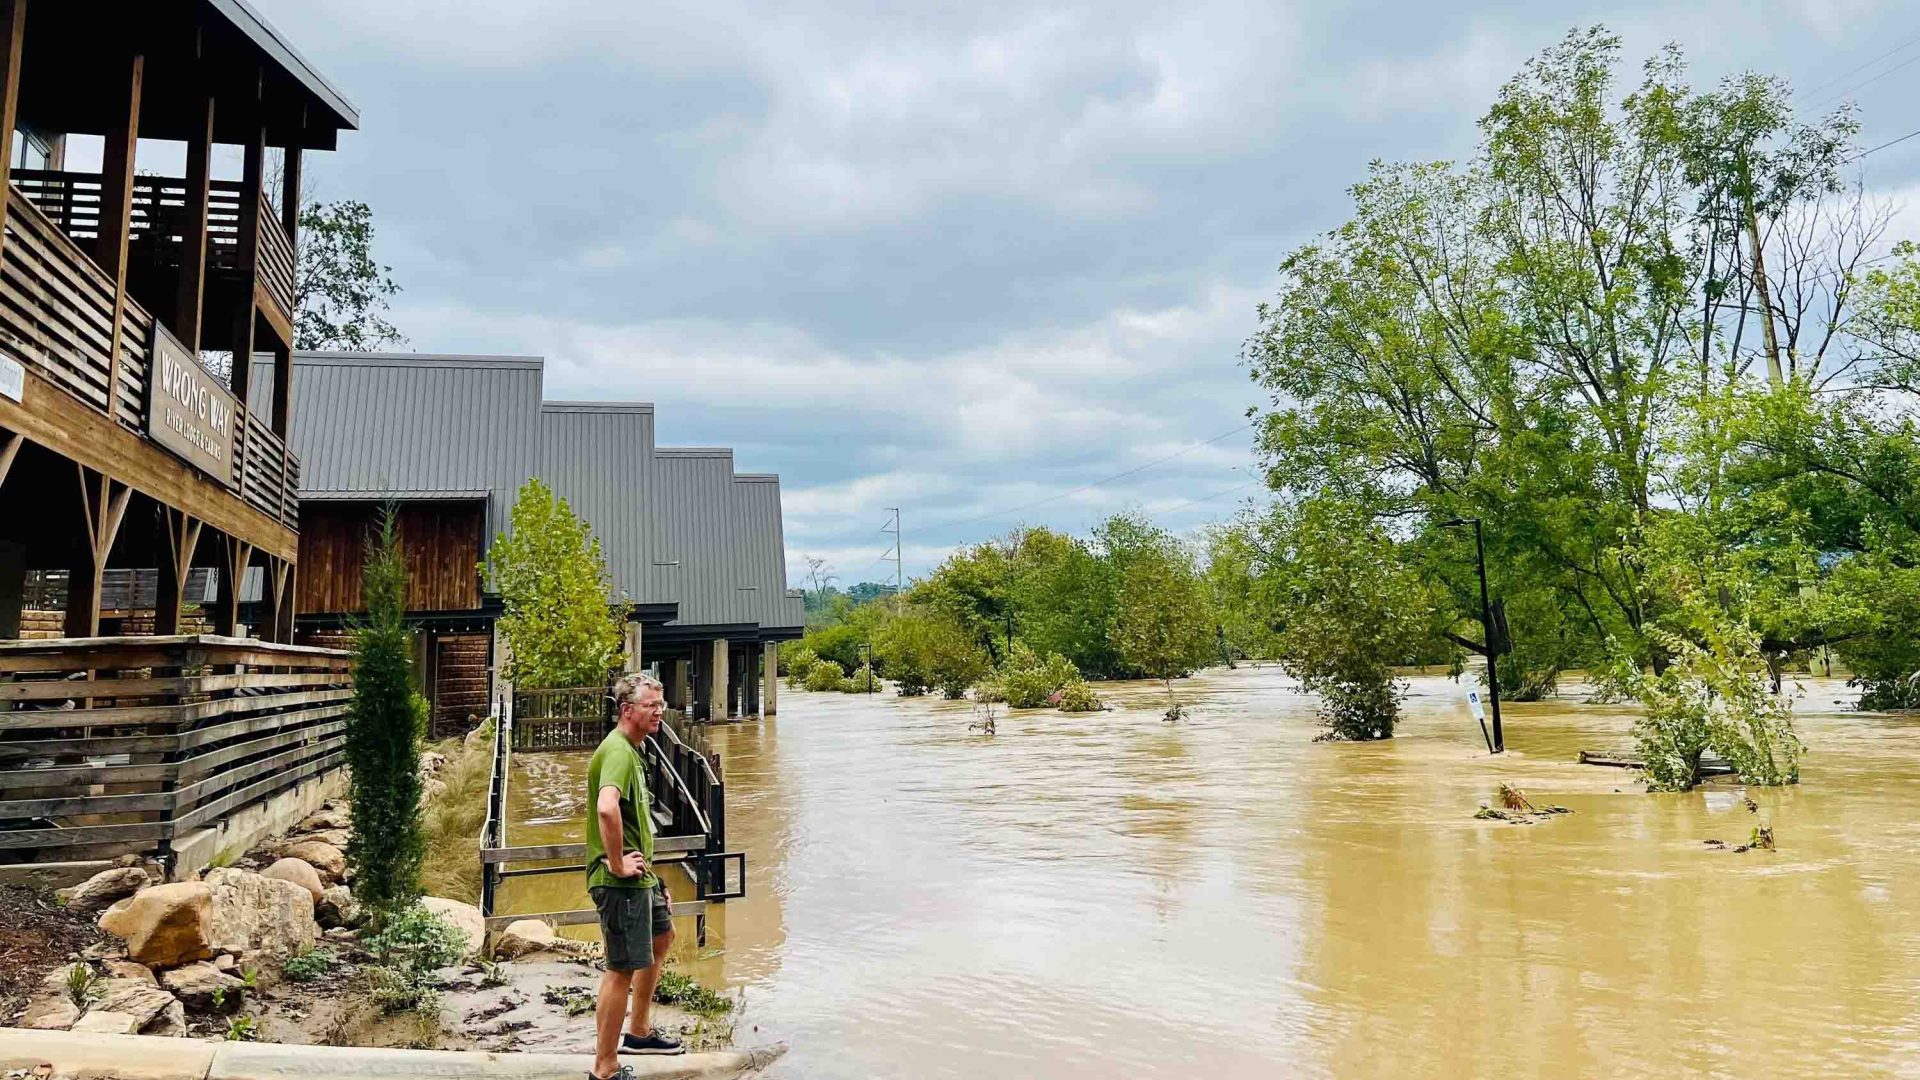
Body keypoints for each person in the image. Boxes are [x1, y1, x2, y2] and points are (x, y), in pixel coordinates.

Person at [587, 671, 684, 1080]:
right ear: (627, 710)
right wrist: (616, 863)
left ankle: (639, 1032)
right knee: (621, 967)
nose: (659, 712)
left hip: (639, 878)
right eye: (651, 706)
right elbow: (606, 808)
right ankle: (604, 1069)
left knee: (662, 937)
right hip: (618, 882)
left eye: (660, 706)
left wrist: (652, 877)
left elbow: (631, 820)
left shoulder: (634, 748)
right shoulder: (619, 752)